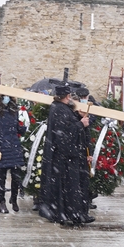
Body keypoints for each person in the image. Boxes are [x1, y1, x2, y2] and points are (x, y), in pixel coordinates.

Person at [35, 83, 93, 226]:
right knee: (70, 187)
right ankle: (72, 214)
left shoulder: (59, 108)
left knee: (71, 187)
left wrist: (77, 118)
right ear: (67, 96)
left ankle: (75, 214)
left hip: (66, 156)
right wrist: (81, 124)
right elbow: (64, 134)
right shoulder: (60, 110)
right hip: (65, 157)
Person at [0, 94, 26, 213]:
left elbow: (16, 129)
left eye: (8, 97)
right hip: (1, 148)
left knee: (16, 177)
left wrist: (23, 128)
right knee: (1, 177)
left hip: (14, 147)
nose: (6, 99)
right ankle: (2, 202)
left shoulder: (14, 112)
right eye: (5, 97)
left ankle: (13, 199)